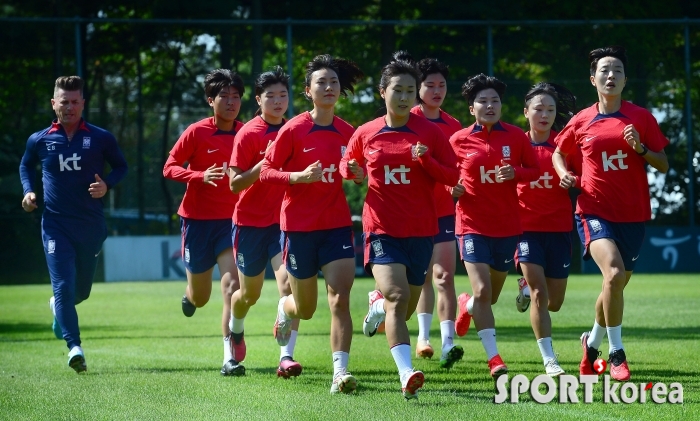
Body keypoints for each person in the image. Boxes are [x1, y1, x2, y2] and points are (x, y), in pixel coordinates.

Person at [341, 51, 459, 399]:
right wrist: (355, 172)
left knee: (404, 306)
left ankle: (376, 307)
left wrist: (427, 161)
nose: (405, 96)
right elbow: (348, 163)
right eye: (398, 90)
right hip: (381, 228)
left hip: (422, 230)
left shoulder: (431, 133)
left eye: (411, 90)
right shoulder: (367, 132)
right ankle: (406, 374)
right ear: (383, 92)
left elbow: (453, 175)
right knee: (397, 296)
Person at [552, 46, 669, 382]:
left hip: (633, 215)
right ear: (593, 79)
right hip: (593, 210)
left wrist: (641, 149)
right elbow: (559, 153)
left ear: (625, 79)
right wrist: (562, 172)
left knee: (613, 285)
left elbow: (662, 163)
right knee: (614, 275)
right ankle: (616, 353)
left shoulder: (641, 118)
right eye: (604, 70)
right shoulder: (582, 120)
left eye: (617, 70)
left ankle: (591, 344)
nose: (611, 75)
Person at [260, 55, 363, 394]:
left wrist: (359, 174)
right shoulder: (293, 129)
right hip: (299, 228)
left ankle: (340, 373)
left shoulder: (349, 132)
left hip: (335, 226)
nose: (329, 87)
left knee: (340, 298)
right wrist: (298, 177)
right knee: (305, 307)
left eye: (334, 82)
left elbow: (359, 169)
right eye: (322, 82)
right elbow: (266, 173)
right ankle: (284, 307)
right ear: (308, 91)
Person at [19, 75, 128, 372]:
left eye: (74, 102)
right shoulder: (39, 139)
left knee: (80, 292)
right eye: (63, 102)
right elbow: (26, 164)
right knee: (63, 286)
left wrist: (106, 185)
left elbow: (121, 166)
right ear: (54, 104)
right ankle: (74, 347)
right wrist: (28, 191)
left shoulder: (101, 137)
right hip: (55, 225)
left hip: (91, 227)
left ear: (83, 104)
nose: (69, 107)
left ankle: (59, 308)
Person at [451, 73, 539, 378]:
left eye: (495, 101)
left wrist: (515, 172)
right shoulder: (458, 140)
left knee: (489, 296)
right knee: (484, 288)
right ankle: (495, 359)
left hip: (507, 227)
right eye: (483, 101)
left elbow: (533, 169)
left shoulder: (516, 137)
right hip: (471, 225)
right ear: (471, 108)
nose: (490, 106)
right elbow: (440, 177)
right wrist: (451, 189)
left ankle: (467, 305)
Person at [162, 69, 243, 376]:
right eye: (224, 96)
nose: (231, 102)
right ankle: (190, 295)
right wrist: (198, 176)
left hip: (231, 222)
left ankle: (229, 357)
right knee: (202, 296)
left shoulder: (246, 133)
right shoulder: (196, 132)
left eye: (236, 97)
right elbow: (169, 168)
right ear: (211, 101)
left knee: (231, 286)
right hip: (196, 224)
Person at [228, 66, 302, 378]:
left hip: (284, 223)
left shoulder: (296, 130)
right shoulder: (247, 134)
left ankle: (286, 357)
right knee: (250, 295)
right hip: (249, 224)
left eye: (282, 95)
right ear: (258, 100)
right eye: (270, 96)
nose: (277, 101)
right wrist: (265, 162)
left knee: (290, 285)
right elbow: (234, 184)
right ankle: (237, 328)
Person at [514, 82, 579, 376]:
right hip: (525, 230)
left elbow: (582, 174)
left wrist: (571, 179)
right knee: (541, 294)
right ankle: (549, 359)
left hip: (559, 229)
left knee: (554, 302)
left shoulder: (564, 146)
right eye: (538, 109)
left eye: (550, 109)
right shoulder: (515, 145)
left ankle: (525, 287)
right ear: (526, 112)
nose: (544, 114)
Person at [409, 57, 464, 368]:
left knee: (443, 277)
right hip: (412, 213)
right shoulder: (406, 119)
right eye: (429, 84)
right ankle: (422, 337)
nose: (436, 90)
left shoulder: (453, 126)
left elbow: (454, 170)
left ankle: (446, 344)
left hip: (444, 212)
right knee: (421, 277)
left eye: (441, 85)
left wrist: (455, 187)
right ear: (418, 89)